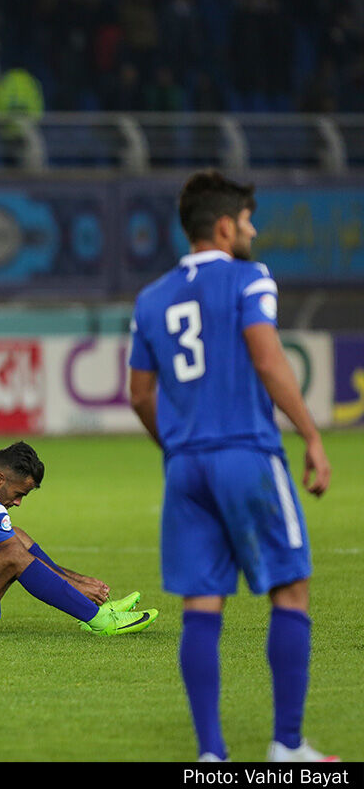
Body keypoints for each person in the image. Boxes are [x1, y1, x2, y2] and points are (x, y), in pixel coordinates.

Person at [127, 170, 339, 762]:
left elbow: (140, 396)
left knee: (201, 604)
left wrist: (173, 446)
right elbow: (269, 360)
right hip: (246, 453)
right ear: (224, 226)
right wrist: (313, 436)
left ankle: (212, 756)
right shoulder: (250, 278)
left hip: (186, 468)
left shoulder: (151, 298)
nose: (254, 230)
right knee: (290, 591)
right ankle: (287, 747)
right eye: (247, 221)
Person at [0, 441, 158, 637]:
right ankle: (99, 620)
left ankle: (93, 605)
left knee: (17, 537)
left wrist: (79, 581)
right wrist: (76, 587)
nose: (18, 502)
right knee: (13, 554)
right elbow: (17, 558)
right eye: (18, 493)